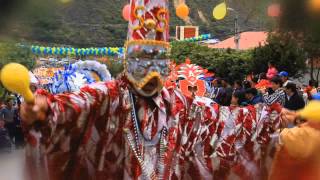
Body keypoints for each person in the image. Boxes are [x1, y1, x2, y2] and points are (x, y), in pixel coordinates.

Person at [19, 1, 282, 179]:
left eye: (159, 62)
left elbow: (222, 122)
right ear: (128, 60)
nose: (152, 74)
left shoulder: (177, 102)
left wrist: (276, 120)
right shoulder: (107, 95)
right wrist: (43, 109)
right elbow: (72, 106)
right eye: (143, 61)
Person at [270, 98, 320, 180]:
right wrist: (291, 115)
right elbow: (300, 115)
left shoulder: (309, 134)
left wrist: (278, 129)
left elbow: (285, 137)